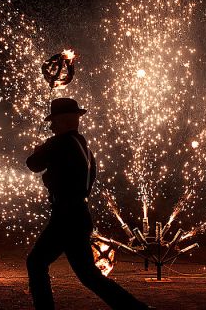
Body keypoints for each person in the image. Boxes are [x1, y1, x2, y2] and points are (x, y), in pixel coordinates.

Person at [26, 98, 152, 310]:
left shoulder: (58, 143)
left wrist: (39, 151)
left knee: (36, 263)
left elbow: (33, 164)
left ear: (64, 121)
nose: (50, 126)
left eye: (53, 121)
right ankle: (137, 309)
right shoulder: (84, 148)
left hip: (65, 217)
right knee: (89, 276)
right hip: (79, 215)